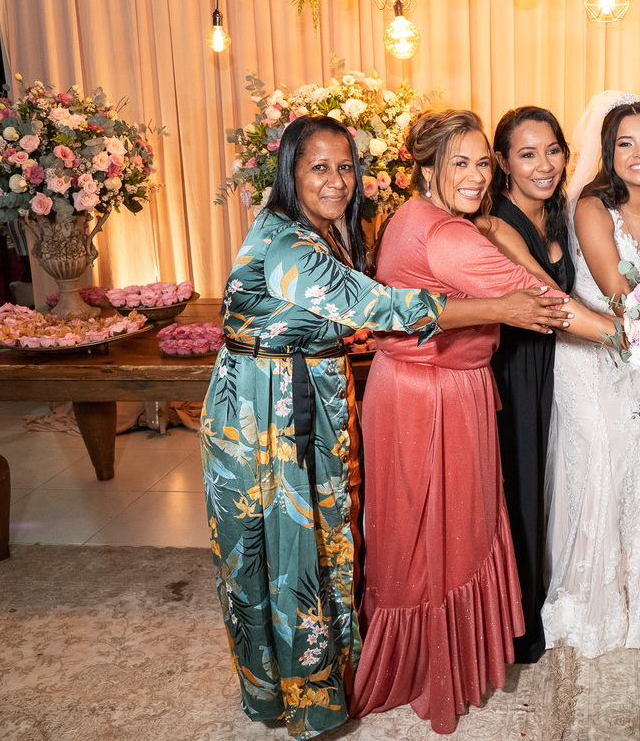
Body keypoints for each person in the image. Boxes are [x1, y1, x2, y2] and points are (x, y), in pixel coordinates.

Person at [199, 116, 567, 741]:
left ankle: (326, 678)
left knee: (322, 544)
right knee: (284, 554)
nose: (336, 181)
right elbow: (380, 305)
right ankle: (298, 700)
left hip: (304, 397)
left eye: (346, 167)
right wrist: (498, 307)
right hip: (264, 413)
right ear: (289, 172)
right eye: (319, 168)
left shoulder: (319, 229)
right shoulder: (290, 245)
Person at [350, 109, 608, 733]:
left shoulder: (410, 217)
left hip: (404, 385)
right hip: (435, 397)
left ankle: (420, 656)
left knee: (413, 532)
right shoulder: (449, 236)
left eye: (480, 164)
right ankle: (431, 666)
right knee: (443, 534)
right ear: (426, 169)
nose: (475, 177)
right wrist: (635, 339)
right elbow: (545, 302)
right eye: (458, 164)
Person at [541, 93, 640, 658]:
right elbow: (617, 293)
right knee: (598, 458)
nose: (639, 153)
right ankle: (588, 602)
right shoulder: (591, 206)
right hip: (590, 350)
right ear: (608, 153)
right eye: (625, 143)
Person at [476, 106, 615, 663]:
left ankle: (542, 600)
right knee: (519, 486)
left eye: (553, 151)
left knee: (551, 483)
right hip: (514, 367)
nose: (544, 165)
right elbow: (548, 297)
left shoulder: (561, 214)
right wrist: (634, 338)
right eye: (527, 154)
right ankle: (514, 624)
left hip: (555, 364)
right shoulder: (496, 223)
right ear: (502, 162)